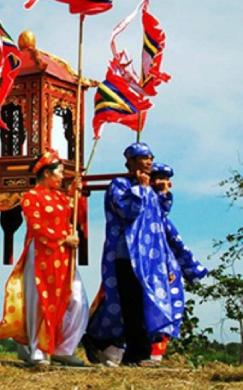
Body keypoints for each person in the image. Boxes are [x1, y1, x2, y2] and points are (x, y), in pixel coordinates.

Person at [83, 143, 205, 367]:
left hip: (150, 259)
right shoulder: (120, 185)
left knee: (148, 302)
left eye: (151, 157)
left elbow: (159, 222)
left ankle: (135, 351)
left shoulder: (148, 188)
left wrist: (162, 193)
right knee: (130, 305)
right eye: (144, 157)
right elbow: (128, 212)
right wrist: (140, 188)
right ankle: (132, 352)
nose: (149, 161)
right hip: (127, 255)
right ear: (130, 161)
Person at [0, 149, 88, 366]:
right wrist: (63, 238)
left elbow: (77, 217)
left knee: (76, 298)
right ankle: (38, 350)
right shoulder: (31, 197)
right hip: (41, 253)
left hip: (64, 254)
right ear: (46, 173)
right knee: (40, 301)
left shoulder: (62, 197)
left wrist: (77, 195)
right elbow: (36, 226)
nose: (62, 176)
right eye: (59, 172)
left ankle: (64, 348)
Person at [148, 162, 208, 362]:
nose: (163, 184)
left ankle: (156, 351)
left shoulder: (163, 220)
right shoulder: (145, 205)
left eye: (165, 180)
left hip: (165, 262)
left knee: (169, 304)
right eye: (158, 179)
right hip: (147, 263)